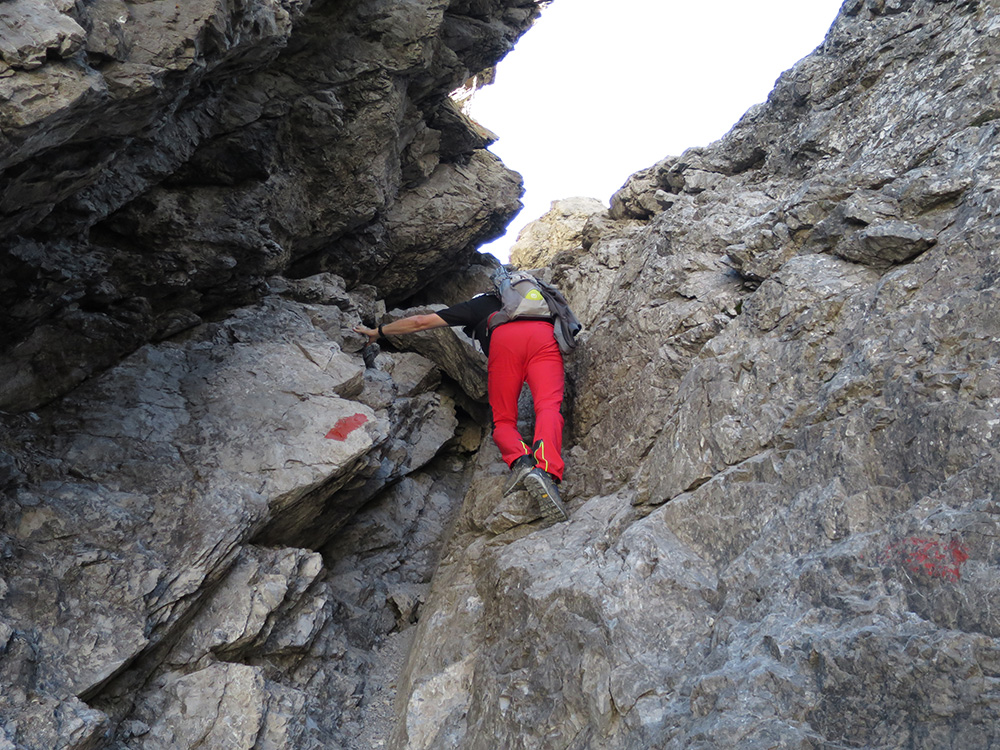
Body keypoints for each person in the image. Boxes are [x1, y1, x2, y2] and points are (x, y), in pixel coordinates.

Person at [353, 283, 569, 521]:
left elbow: (420, 322)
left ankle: (522, 461)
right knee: (548, 407)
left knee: (503, 421)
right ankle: (546, 470)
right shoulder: (538, 301)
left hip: (505, 342)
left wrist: (378, 332)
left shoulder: (481, 304)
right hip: (544, 335)